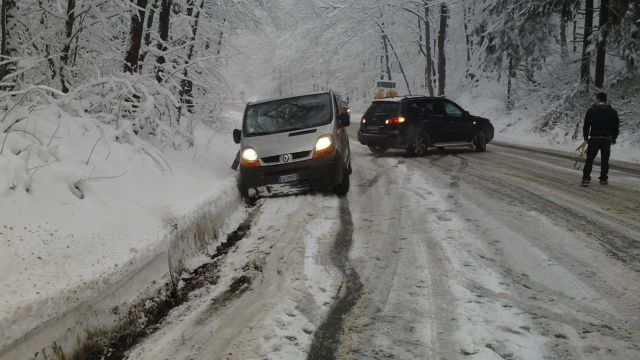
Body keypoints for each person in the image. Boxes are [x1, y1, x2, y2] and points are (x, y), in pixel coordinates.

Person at [581, 92, 620, 186]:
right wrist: (614, 137)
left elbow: (586, 125)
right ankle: (603, 179)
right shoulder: (612, 112)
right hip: (606, 139)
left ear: (597, 99)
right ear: (606, 99)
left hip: (594, 138)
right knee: (605, 160)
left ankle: (586, 178)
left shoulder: (591, 110)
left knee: (589, 159)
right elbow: (616, 126)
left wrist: (586, 137)